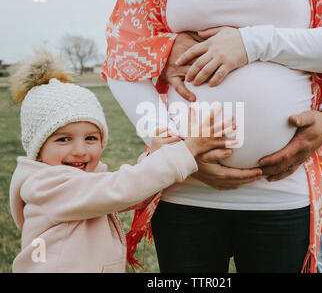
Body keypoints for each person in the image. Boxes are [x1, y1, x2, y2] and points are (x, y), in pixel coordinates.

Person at [102, 0, 322, 272]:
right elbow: (121, 57)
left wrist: (251, 43)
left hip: (282, 192)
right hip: (185, 188)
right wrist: (174, 152)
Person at [9, 52, 236, 272]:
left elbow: (132, 193)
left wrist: (152, 158)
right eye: (63, 139)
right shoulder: (46, 186)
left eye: (91, 138)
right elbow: (121, 189)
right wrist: (189, 149)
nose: (80, 150)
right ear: (38, 149)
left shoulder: (85, 183)